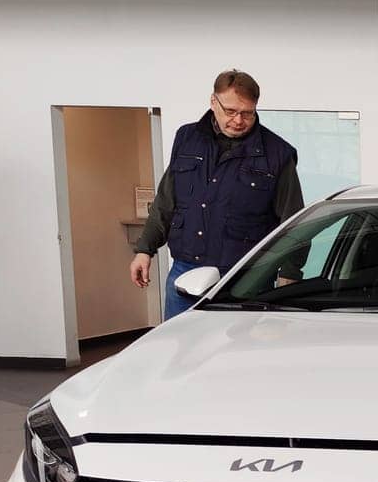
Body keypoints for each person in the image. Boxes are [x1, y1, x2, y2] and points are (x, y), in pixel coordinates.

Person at [129, 69, 305, 319]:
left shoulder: (278, 154)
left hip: (246, 278)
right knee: (177, 350)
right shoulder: (187, 139)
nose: (238, 120)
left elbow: (293, 220)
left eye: (247, 113)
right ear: (213, 102)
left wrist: (289, 275)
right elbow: (166, 202)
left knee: (238, 354)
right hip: (185, 271)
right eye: (231, 111)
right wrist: (144, 250)